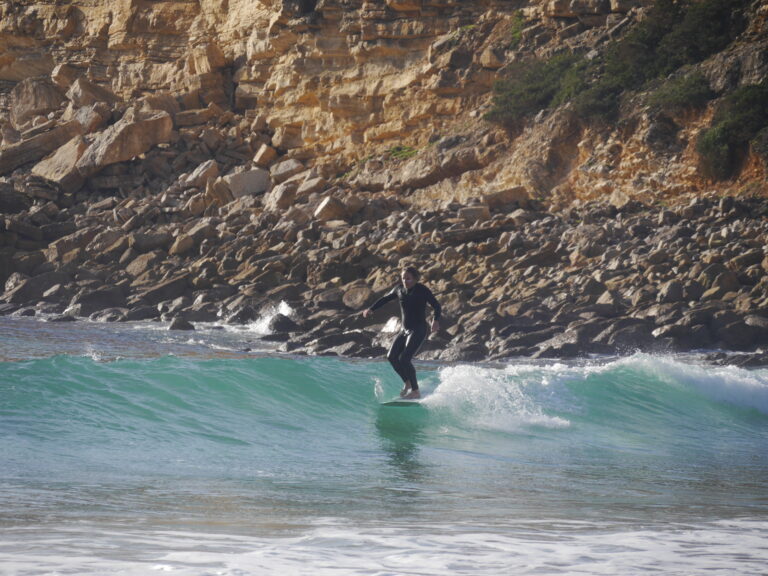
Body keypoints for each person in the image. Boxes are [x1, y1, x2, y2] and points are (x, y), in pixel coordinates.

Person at [363, 266, 441, 399]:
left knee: (405, 358)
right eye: (403, 278)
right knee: (391, 357)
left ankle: (416, 391)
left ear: (415, 279)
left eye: (408, 278)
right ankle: (408, 382)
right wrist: (371, 309)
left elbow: (436, 305)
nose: (405, 281)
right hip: (404, 330)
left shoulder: (422, 290)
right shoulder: (399, 289)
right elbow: (385, 299)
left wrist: (435, 320)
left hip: (419, 329)